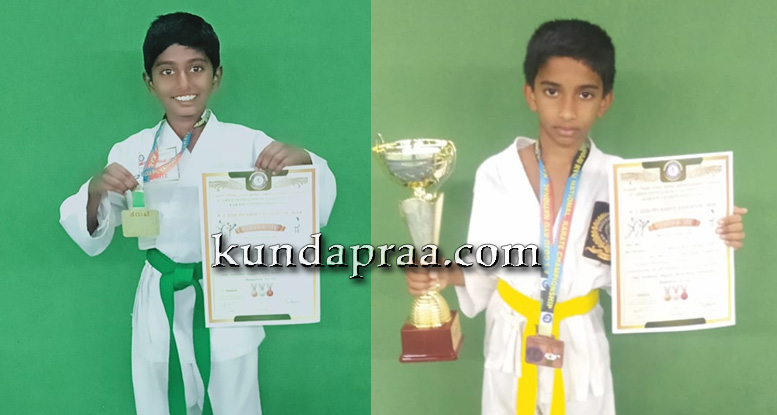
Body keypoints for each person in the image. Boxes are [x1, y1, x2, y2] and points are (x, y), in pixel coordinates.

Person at [404, 19, 746, 415]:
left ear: (605, 102)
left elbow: (648, 268)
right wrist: (442, 275)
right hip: (512, 339)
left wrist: (715, 234)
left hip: (580, 341)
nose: (567, 111)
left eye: (585, 94)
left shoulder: (623, 181)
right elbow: (486, 266)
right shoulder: (496, 173)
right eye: (552, 91)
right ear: (531, 94)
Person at [59, 12, 336, 415]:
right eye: (167, 72)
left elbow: (315, 201)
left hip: (230, 292)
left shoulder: (247, 143)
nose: (184, 84)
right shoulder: (131, 151)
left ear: (216, 76)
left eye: (196, 68)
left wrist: (301, 160)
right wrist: (95, 190)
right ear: (149, 82)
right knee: (160, 397)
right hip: (161, 295)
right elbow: (93, 230)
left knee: (234, 398)